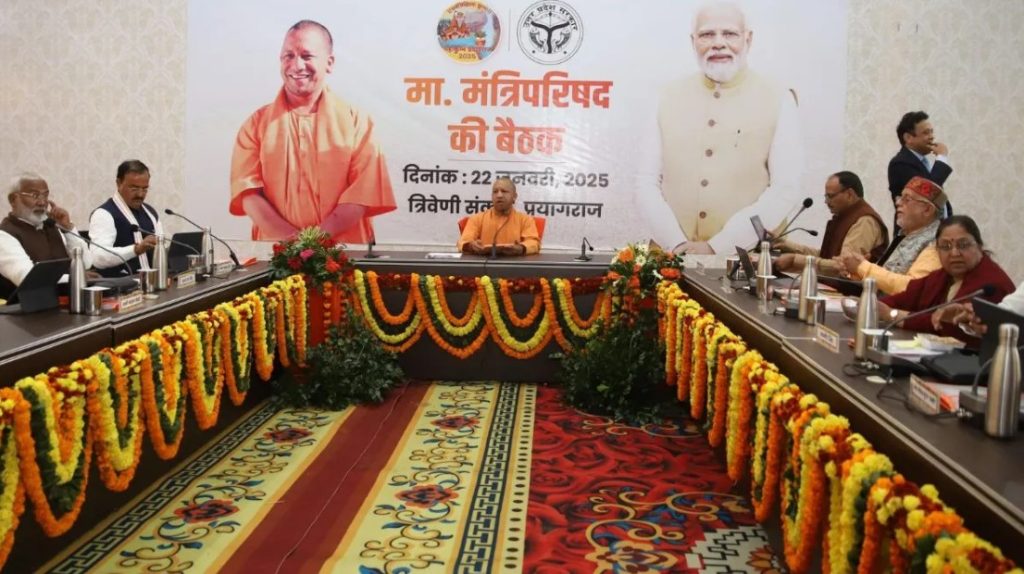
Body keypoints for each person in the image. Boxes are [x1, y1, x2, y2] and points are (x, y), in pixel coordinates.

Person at [650, 0, 802, 256]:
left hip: (747, 259)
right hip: (670, 257)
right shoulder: (665, 96)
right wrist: (676, 243)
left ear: (748, 39)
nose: (718, 43)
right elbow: (645, 182)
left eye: (729, 33)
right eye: (707, 34)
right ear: (693, 41)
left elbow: (785, 188)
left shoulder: (779, 98)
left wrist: (718, 246)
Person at [230, 19, 396, 244]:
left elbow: (362, 193)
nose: (297, 65)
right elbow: (248, 194)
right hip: (277, 253)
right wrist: (294, 244)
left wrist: (311, 244)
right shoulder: (256, 124)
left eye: (307, 56)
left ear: (329, 62)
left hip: (344, 252)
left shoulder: (357, 123)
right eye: (288, 56)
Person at [879, 216, 1015, 344]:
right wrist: (875, 306)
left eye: (963, 245)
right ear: (937, 250)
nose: (954, 253)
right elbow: (906, 298)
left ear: (979, 246)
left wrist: (892, 315)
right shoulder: (943, 275)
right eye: (945, 246)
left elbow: (949, 326)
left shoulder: (991, 284)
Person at [836, 176, 943, 295]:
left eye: (907, 199)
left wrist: (862, 267)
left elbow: (912, 287)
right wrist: (855, 272)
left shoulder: (938, 242)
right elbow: (886, 279)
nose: (898, 203)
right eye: (900, 197)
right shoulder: (904, 235)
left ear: (927, 210)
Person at [774, 171, 888, 275]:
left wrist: (795, 260)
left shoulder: (864, 221)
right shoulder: (844, 217)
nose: (826, 202)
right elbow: (826, 256)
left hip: (849, 290)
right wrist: (786, 245)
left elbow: (843, 266)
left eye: (830, 196)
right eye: (826, 196)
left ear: (849, 194)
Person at [0, 172, 92, 299]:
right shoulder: (5, 234)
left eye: (45, 195)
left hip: (68, 302)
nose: (42, 202)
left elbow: (86, 263)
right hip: (26, 308)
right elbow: (28, 279)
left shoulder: (52, 225)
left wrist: (68, 228)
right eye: (35, 195)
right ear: (13, 199)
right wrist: (76, 277)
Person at [89, 160, 165, 277]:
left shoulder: (151, 213)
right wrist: (135, 249)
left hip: (151, 282)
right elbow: (98, 258)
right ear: (119, 183)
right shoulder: (103, 214)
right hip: (118, 285)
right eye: (134, 188)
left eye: (145, 189)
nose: (140, 194)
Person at [888, 111, 953, 232]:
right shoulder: (900, 163)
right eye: (926, 133)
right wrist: (942, 158)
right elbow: (929, 193)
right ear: (908, 138)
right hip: (914, 234)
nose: (932, 137)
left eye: (932, 132)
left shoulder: (923, 162)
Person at [457, 177, 540, 257]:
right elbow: (462, 242)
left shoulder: (525, 220)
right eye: (495, 192)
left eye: (504, 191)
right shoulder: (477, 218)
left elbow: (534, 243)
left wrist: (521, 248)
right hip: (484, 264)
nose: (499, 195)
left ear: (514, 196)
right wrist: (471, 246)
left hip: (514, 264)